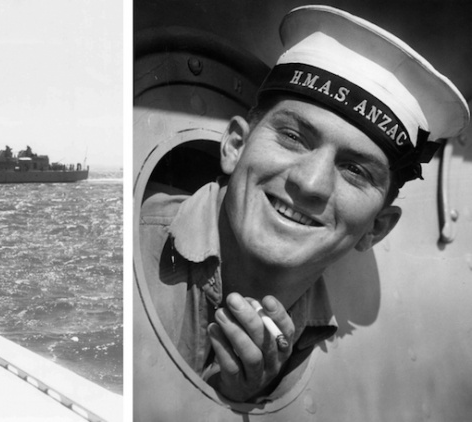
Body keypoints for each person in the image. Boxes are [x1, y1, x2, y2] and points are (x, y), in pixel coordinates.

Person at [137, 5, 469, 403]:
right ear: (235, 145)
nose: (311, 183)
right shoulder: (133, 251)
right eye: (294, 137)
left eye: (355, 171)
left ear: (376, 229)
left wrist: (235, 391)